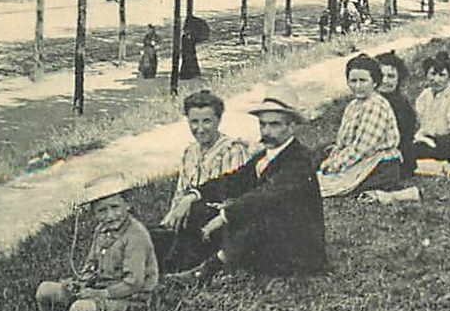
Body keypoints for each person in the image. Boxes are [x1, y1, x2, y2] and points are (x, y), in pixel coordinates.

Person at [167, 87, 327, 280]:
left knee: (257, 215)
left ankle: (206, 271)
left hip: (298, 250)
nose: (266, 131)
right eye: (263, 125)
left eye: (274, 125)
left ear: (291, 126)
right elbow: (233, 180)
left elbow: (267, 195)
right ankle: (181, 263)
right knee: (199, 209)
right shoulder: (264, 157)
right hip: (271, 237)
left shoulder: (299, 160)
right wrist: (192, 196)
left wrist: (224, 216)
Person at [38, 174, 159, 311]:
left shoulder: (135, 235)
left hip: (129, 298)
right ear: (94, 213)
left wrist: (99, 294)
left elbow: (134, 283)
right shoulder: (101, 231)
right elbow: (91, 265)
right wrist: (80, 283)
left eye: (115, 207)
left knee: (79, 309)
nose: (109, 216)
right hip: (99, 288)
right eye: (102, 211)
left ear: (127, 204)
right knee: (44, 290)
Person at [155, 91, 256, 272]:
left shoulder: (232, 150)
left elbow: (237, 200)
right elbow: (180, 194)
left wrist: (192, 203)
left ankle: (185, 268)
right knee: (150, 236)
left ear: (218, 120)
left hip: (219, 226)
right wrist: (169, 221)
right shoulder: (190, 152)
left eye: (207, 121)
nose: (200, 128)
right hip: (189, 224)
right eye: (194, 122)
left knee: (195, 213)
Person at [317, 55, 404, 198]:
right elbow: (342, 143)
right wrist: (332, 159)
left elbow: (363, 147)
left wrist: (336, 165)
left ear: (375, 82)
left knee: (330, 186)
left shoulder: (375, 105)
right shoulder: (353, 106)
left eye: (363, 81)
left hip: (381, 164)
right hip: (359, 159)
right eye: (353, 81)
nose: (357, 86)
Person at [376, 50, 421, 179]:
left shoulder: (400, 106)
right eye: (381, 76)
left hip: (396, 160)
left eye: (391, 76)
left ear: (399, 79)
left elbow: (400, 141)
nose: (385, 81)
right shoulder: (372, 100)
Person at [179, 13, 209, 80]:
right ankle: (189, 74)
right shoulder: (187, 38)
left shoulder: (186, 37)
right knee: (189, 56)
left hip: (188, 42)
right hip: (188, 42)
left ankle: (188, 74)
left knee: (188, 57)